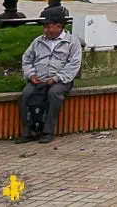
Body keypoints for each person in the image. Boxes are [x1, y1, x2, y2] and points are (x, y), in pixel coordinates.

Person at [15, 14, 82, 143]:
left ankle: (48, 131)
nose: (45, 30)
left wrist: (56, 78)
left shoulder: (72, 42)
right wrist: (31, 75)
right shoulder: (38, 41)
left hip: (62, 80)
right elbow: (27, 60)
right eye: (44, 27)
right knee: (26, 94)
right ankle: (29, 130)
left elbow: (74, 65)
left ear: (59, 27)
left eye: (48, 27)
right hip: (38, 79)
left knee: (54, 93)